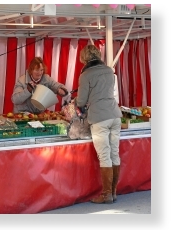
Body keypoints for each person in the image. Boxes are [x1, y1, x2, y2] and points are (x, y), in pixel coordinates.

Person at [75, 45, 122, 204]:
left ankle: (106, 194)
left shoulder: (86, 75)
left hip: (99, 117)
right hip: (115, 115)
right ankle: (113, 192)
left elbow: (81, 101)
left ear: (84, 58)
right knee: (114, 153)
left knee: (104, 155)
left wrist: (77, 103)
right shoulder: (109, 70)